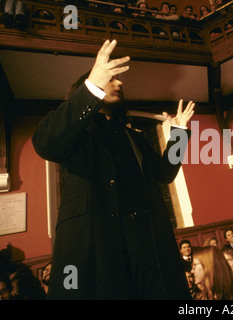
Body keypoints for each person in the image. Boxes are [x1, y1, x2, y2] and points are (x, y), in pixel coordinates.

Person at [32, 39, 195, 300]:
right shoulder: (74, 130)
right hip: (98, 248)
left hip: (147, 248)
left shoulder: (134, 137)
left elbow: (165, 174)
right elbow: (45, 143)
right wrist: (93, 84)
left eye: (119, 81)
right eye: (111, 79)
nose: (119, 83)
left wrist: (179, 135)